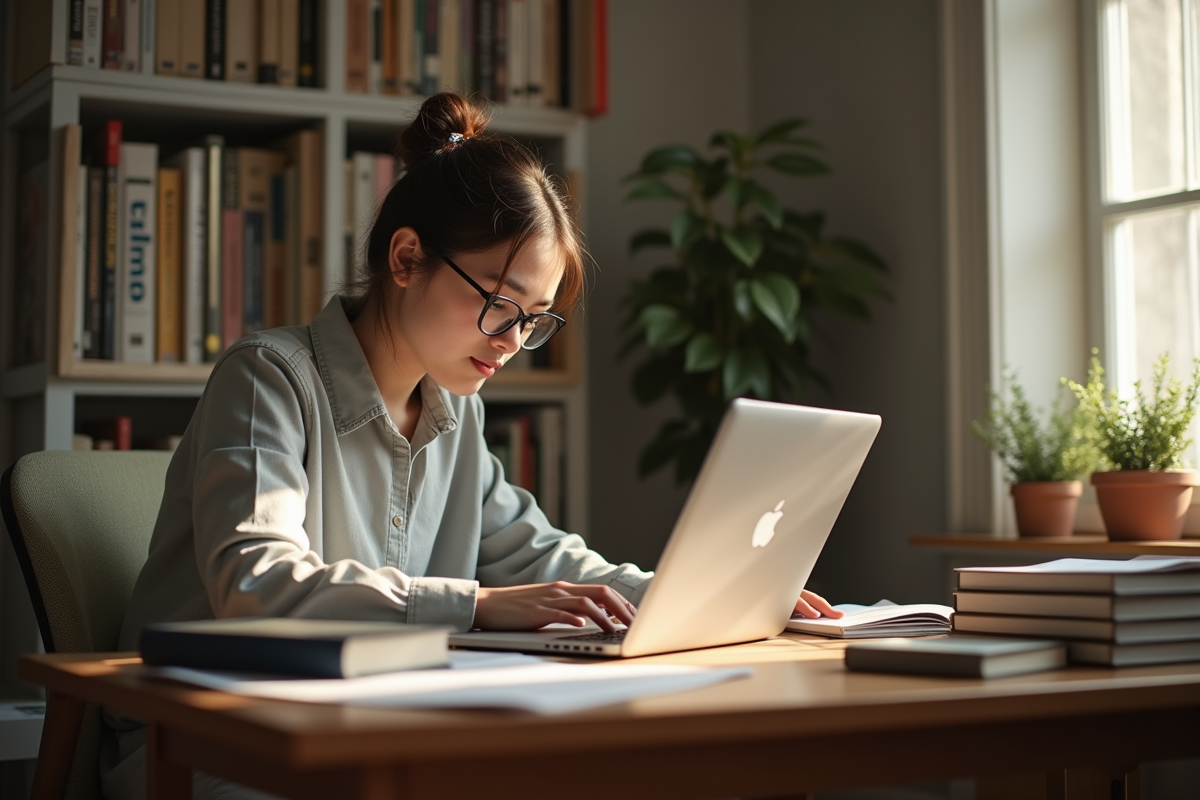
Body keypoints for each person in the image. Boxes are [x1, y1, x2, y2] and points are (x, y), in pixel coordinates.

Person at [102, 92, 841, 800]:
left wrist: (699, 595)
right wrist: (479, 606)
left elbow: (541, 557)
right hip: (213, 735)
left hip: (378, 723)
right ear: (405, 258)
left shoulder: (454, 411)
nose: (513, 342)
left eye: (535, 319)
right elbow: (255, 581)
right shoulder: (269, 379)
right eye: (498, 303)